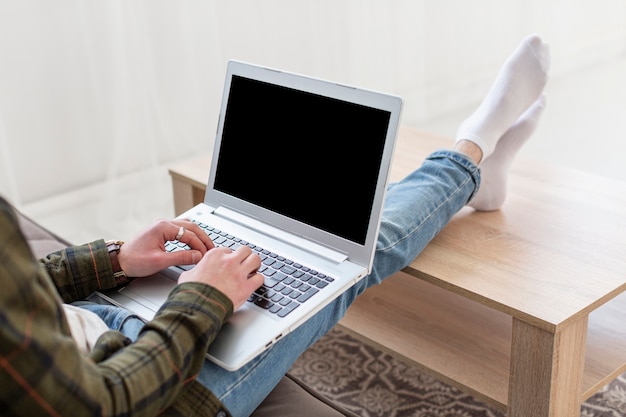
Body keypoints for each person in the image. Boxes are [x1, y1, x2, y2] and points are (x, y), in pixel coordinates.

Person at [0, 34, 550, 417]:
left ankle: (477, 171)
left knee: (319, 238)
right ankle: (472, 152)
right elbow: (104, 406)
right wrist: (202, 301)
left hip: (86, 331)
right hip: (154, 394)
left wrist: (113, 261)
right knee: (352, 256)